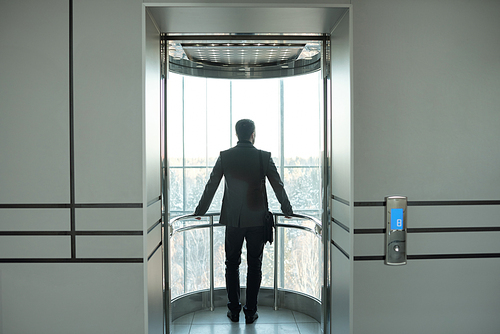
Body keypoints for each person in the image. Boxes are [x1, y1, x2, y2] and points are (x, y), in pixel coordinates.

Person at [194, 119, 293, 324]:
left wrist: (200, 210)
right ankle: (250, 311)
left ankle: (234, 310)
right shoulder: (263, 157)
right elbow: (278, 186)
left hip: (233, 220)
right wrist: (287, 209)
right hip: (257, 220)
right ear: (253, 134)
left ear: (237, 134)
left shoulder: (226, 156)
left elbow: (211, 185)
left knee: (232, 264)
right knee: (254, 265)